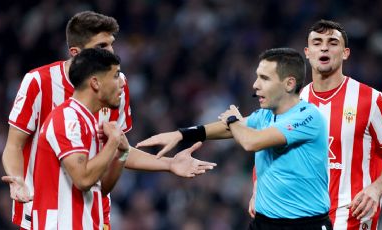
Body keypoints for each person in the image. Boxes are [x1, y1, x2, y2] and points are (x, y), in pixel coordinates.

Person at [1, 11, 216, 230]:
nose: (112, 52)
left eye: (112, 44)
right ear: (76, 53)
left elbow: (117, 148)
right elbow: (14, 145)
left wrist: (169, 163)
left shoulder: (116, 85)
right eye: (101, 46)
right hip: (43, 211)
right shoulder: (40, 82)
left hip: (92, 210)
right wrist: (17, 179)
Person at [137, 48, 333, 230]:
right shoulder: (265, 115)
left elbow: (251, 141)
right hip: (264, 222)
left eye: (264, 78)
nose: (255, 85)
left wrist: (232, 119)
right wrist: (181, 134)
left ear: (289, 84)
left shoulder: (307, 117)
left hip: (305, 224)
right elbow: (228, 130)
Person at [299, 19, 382, 229]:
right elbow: (271, 152)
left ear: (345, 53)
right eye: (317, 42)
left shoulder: (370, 99)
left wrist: (376, 189)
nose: (324, 47)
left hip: (352, 214)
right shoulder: (296, 103)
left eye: (332, 42)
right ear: (307, 52)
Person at [31, 48, 127, 229]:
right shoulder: (67, 118)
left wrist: (122, 153)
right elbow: (83, 180)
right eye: (115, 76)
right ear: (95, 83)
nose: (122, 83)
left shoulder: (89, 121)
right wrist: (113, 142)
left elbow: (101, 187)